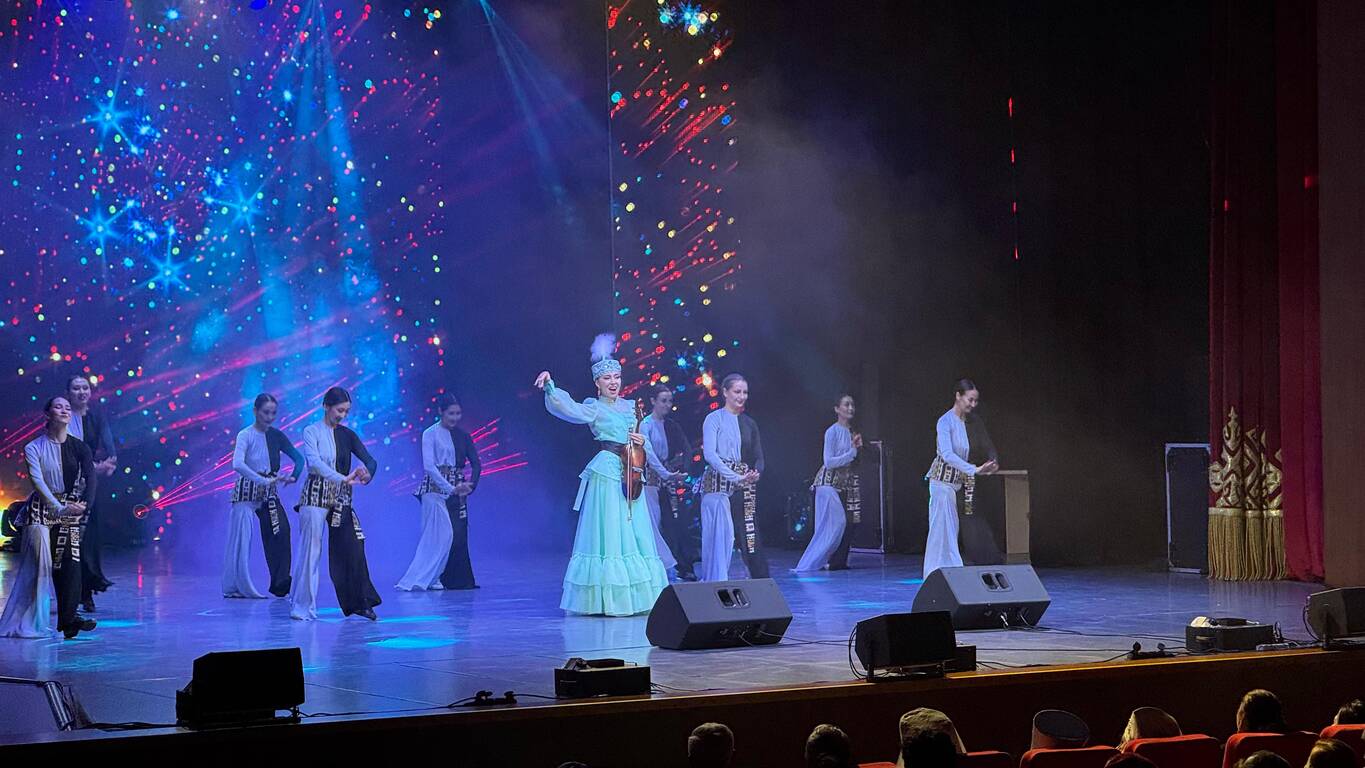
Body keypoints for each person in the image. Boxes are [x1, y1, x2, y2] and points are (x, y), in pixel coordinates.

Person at [534, 334, 668, 616]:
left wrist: (643, 443)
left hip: (631, 470)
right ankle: (607, 599)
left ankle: (639, 597)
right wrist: (551, 387)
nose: (613, 382)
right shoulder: (594, 407)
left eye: (616, 377)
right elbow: (569, 408)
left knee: (633, 530)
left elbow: (642, 440)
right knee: (610, 529)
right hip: (607, 470)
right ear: (597, 383)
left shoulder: (631, 406)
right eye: (607, 378)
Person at [0, 396, 98, 639]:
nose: (64, 410)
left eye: (67, 407)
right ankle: (27, 622)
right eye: (58, 407)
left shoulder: (79, 447)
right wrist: (58, 507)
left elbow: (91, 478)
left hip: (69, 511)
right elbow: (38, 482)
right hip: (41, 512)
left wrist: (84, 505)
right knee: (41, 566)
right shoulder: (33, 448)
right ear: (47, 414)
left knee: (71, 563)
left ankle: (69, 620)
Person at [291, 386, 381, 621]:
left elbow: (370, 461)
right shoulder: (311, 431)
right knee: (311, 551)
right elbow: (314, 463)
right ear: (326, 406)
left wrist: (367, 474)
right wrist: (343, 478)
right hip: (315, 496)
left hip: (341, 499)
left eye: (346, 411)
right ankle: (303, 607)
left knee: (354, 546)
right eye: (339, 410)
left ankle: (360, 603)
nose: (342, 415)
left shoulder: (347, 435)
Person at [398, 393, 480, 591]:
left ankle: (435, 577)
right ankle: (425, 578)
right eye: (451, 413)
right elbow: (429, 467)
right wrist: (450, 488)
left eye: (458, 413)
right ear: (441, 412)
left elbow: (474, 463)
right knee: (438, 535)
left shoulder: (460, 435)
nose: (455, 417)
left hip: (455, 488)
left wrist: (466, 486)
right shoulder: (430, 433)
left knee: (449, 536)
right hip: (434, 490)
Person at [225, 393, 304, 599]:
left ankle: (280, 582)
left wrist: (293, 477)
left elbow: (299, 459)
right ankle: (235, 586)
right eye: (265, 412)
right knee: (242, 539)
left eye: (273, 413)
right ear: (255, 411)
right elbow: (237, 464)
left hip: (268, 494)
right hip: (246, 493)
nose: (269, 417)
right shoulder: (245, 435)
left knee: (281, 530)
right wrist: (260, 479)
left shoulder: (276, 436)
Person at [923, 378, 998, 579]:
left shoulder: (967, 423)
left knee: (951, 530)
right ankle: (936, 573)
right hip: (941, 484)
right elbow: (947, 454)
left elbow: (978, 448)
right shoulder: (945, 422)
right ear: (958, 396)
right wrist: (974, 469)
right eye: (970, 399)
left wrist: (988, 465)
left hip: (954, 486)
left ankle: (949, 573)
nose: (973, 404)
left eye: (975, 401)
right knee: (941, 531)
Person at [699, 374, 769, 581]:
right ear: (725, 392)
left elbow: (758, 456)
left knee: (750, 534)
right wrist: (734, 476)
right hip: (717, 487)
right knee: (721, 538)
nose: (742, 396)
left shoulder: (749, 423)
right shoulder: (714, 419)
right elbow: (710, 455)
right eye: (737, 391)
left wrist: (756, 473)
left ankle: (761, 580)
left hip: (743, 485)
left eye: (745, 392)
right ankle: (715, 583)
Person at [66, 375, 116, 612]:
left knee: (87, 540)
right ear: (68, 393)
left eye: (85, 388)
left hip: (89, 487)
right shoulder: (63, 417)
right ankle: (71, 592)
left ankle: (85, 592)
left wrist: (108, 465)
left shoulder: (96, 417)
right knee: (69, 541)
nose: (81, 392)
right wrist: (95, 467)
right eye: (76, 388)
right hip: (66, 484)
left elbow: (111, 451)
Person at [794, 394, 862, 572]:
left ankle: (829, 561)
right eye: (846, 405)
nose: (850, 408)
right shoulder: (832, 431)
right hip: (827, 483)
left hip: (842, 485)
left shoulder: (852, 432)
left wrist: (858, 449)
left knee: (841, 524)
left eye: (852, 405)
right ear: (837, 409)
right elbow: (829, 461)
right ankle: (815, 561)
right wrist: (852, 453)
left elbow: (854, 460)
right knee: (836, 522)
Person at [641, 384, 698, 580]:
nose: (667, 405)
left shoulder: (672, 425)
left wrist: (683, 470)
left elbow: (686, 448)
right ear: (653, 401)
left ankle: (683, 565)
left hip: (669, 482)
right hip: (651, 482)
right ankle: (656, 568)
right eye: (663, 401)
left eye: (670, 401)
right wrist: (665, 473)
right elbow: (648, 454)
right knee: (654, 524)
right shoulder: (645, 425)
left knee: (676, 523)